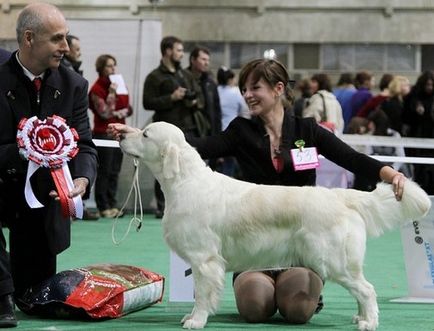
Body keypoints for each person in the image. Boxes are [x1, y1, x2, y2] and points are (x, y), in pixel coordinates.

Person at [108, 58, 407, 326]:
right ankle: (236, 297)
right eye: (244, 89)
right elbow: (196, 146)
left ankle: (365, 301)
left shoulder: (306, 130)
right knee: (254, 307)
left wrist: (390, 173)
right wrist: (138, 136)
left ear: (278, 89)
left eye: (255, 88)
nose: (247, 95)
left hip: (303, 230)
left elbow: (351, 158)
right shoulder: (241, 130)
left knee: (297, 309)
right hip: (254, 256)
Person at [0, 2, 97, 328]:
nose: (66, 47)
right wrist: (25, 151)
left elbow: (84, 145)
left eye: (65, 38)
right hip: (2, 184)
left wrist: (81, 182)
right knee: (6, 300)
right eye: (57, 39)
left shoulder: (74, 85)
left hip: (43, 201)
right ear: (29, 38)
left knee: (33, 298)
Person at [142, 36, 204, 218]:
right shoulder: (154, 77)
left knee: (190, 168)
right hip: (166, 132)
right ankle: (163, 206)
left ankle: (189, 205)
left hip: (188, 128)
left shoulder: (186, 75)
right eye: (178, 50)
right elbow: (147, 102)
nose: (181, 54)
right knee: (164, 169)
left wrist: (192, 100)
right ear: (168, 51)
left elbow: (199, 97)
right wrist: (171, 98)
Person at [89, 54, 132, 218]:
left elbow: (129, 108)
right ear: (101, 68)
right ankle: (103, 206)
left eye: (114, 65)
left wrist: (119, 110)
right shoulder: (96, 89)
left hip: (119, 134)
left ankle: (112, 203)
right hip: (104, 134)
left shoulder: (119, 84)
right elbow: (105, 113)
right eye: (109, 66)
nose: (113, 69)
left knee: (115, 171)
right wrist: (112, 95)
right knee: (104, 171)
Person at [61, 35, 99, 221]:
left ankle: (76, 204)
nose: (79, 52)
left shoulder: (76, 78)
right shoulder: (66, 75)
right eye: (76, 49)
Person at [402, 70, 434, 194]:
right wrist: (415, 112)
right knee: (420, 172)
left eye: (432, 85)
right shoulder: (413, 97)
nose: (429, 88)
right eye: (427, 85)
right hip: (417, 140)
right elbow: (405, 118)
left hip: (431, 140)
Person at [216, 66, 249, 177]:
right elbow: (245, 112)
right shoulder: (236, 92)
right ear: (230, 79)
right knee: (229, 164)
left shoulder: (215, 91)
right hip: (232, 131)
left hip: (216, 131)